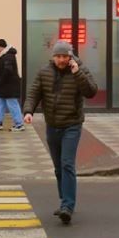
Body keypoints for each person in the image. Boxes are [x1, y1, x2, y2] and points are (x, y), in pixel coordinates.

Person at [23, 41, 97, 225]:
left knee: (67, 164)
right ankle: (65, 200)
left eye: (65, 56)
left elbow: (91, 91)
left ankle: (67, 206)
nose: (62, 60)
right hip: (52, 125)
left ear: (70, 57)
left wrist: (77, 73)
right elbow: (34, 92)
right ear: (53, 57)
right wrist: (28, 111)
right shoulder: (44, 72)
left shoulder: (79, 69)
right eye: (58, 56)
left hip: (72, 125)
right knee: (58, 167)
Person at [0, 38, 24, 131]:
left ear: (3, 47)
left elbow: (8, 71)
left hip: (9, 86)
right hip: (4, 86)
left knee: (12, 104)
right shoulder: (5, 55)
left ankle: (19, 124)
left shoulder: (8, 56)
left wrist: (1, 81)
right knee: (0, 104)